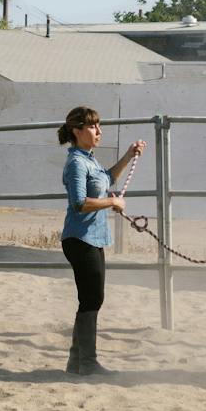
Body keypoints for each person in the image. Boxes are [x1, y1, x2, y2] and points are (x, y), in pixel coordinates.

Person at [58, 106, 145, 376]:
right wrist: (113, 201)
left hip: (93, 238)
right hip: (80, 238)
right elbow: (79, 203)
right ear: (77, 131)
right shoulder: (76, 163)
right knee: (92, 299)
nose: (99, 131)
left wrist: (128, 157)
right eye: (93, 126)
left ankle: (77, 361)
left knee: (92, 298)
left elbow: (106, 178)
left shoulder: (89, 159)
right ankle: (88, 362)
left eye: (98, 126)